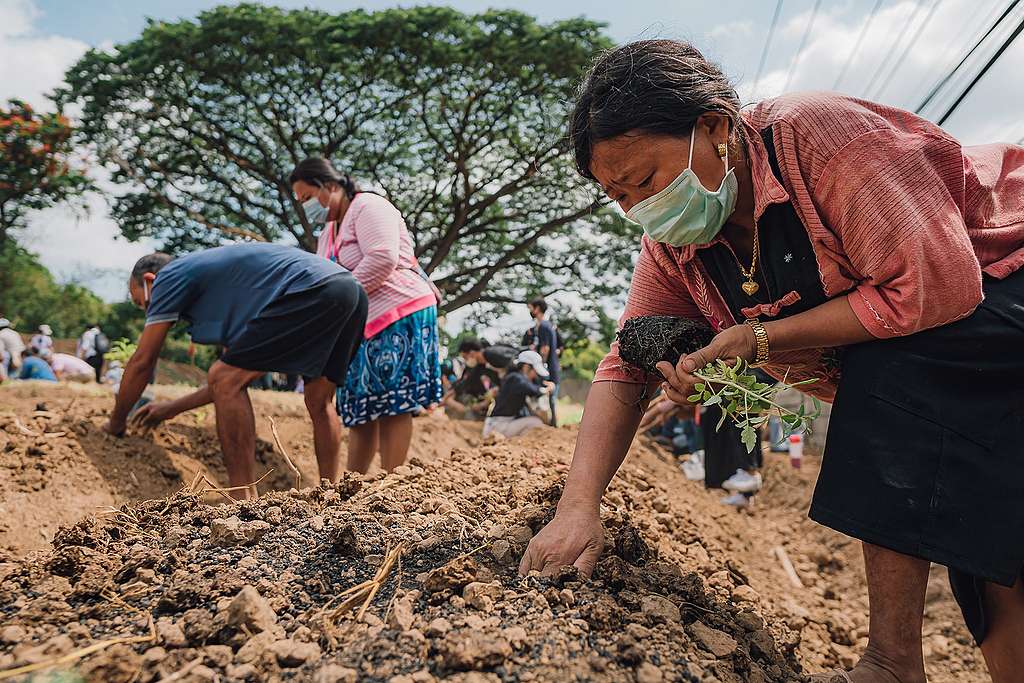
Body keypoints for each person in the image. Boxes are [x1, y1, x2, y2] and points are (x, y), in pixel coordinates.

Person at [520, 40, 1024, 683]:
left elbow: (934, 287)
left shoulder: (820, 138)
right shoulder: (678, 247)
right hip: (946, 348)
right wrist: (578, 508)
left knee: (893, 367)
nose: (639, 209)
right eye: (617, 195)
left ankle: (893, 662)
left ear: (715, 127)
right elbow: (624, 366)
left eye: (645, 181)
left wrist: (760, 339)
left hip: (997, 280)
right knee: (984, 547)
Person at [103, 244, 367, 498]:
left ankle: (242, 499)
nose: (148, 312)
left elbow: (142, 362)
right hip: (351, 291)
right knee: (319, 400)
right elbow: (227, 382)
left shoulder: (169, 277)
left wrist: (116, 423)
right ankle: (331, 494)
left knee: (226, 378)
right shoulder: (230, 290)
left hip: (314, 290)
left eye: (141, 303)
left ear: (149, 280)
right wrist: (170, 409)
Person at [290, 158, 442, 474]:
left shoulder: (369, 207)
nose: (305, 208)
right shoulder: (327, 233)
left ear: (330, 187)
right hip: (360, 325)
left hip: (398, 312)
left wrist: (345, 300)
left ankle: (392, 482)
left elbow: (383, 257)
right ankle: (353, 487)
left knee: (391, 404)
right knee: (360, 408)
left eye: (307, 198)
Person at [483, 350, 555, 439]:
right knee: (535, 423)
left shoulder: (513, 377)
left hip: (499, 424)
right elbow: (532, 389)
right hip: (498, 426)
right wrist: (547, 389)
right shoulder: (515, 378)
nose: (535, 376)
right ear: (526, 367)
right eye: (534, 371)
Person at [522, 298, 561, 426]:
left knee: (548, 401)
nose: (530, 311)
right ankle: (551, 426)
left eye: (531, 308)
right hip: (551, 368)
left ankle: (551, 427)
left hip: (548, 369)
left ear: (537, 308)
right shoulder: (545, 326)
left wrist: (541, 367)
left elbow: (545, 349)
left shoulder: (544, 326)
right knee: (550, 401)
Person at [444, 338, 502, 420]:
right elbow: (462, 384)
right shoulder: (475, 368)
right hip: (477, 402)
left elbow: (495, 391)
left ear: (472, 353)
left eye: (465, 357)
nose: (465, 360)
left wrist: (481, 405)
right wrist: (448, 399)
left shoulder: (494, 365)